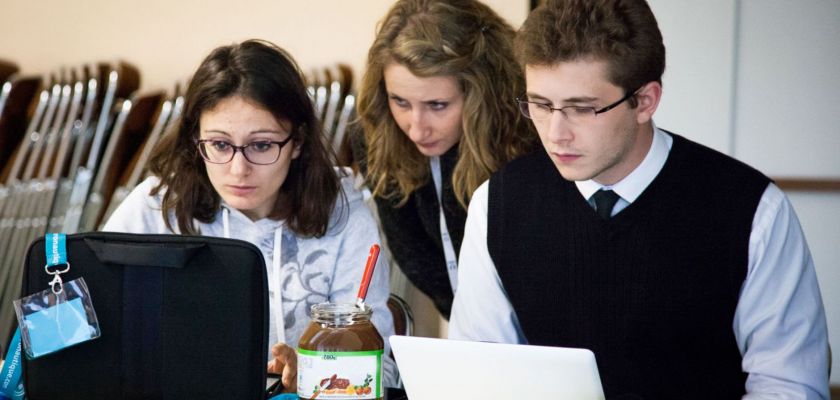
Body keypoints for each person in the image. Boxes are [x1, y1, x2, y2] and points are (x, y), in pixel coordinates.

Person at [449, 0, 830, 398]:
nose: (555, 133)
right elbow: (479, 371)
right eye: (541, 105)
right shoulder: (498, 204)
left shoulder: (752, 211)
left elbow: (789, 386)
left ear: (645, 101)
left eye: (582, 109)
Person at [103, 39, 396, 392]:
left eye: (261, 145)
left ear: (298, 142)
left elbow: (382, 374)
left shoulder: (343, 215)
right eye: (220, 145)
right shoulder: (155, 207)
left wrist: (311, 373)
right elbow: (91, 330)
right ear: (196, 138)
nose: (238, 170)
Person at [353, 0, 536, 318]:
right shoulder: (377, 134)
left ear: (481, 92)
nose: (416, 128)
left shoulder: (530, 137)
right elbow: (417, 260)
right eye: (400, 101)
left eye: (437, 105)